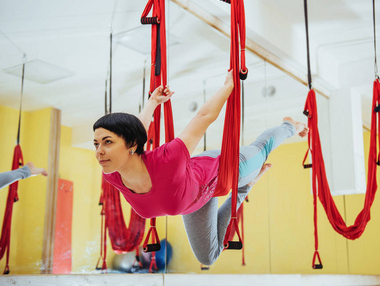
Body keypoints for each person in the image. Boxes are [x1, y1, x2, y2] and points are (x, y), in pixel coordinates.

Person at [93, 70, 308, 265]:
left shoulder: (168, 159)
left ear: (131, 144)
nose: (99, 151)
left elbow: (203, 117)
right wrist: (152, 102)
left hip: (221, 169)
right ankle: (246, 187)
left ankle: (290, 125)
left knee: (261, 151)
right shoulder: (112, 176)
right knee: (208, 257)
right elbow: (137, 128)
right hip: (193, 198)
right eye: (96, 144)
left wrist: (228, 86)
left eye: (107, 142)